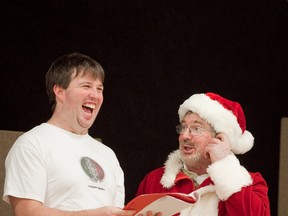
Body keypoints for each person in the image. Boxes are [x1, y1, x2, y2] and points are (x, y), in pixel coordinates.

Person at [3, 52, 136, 216]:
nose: (95, 95)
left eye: (99, 89)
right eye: (86, 86)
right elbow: (27, 212)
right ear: (60, 91)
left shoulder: (108, 155)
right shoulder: (32, 143)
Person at [136, 92, 270, 215]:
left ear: (220, 139)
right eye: (183, 127)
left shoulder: (250, 184)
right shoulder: (154, 180)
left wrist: (225, 167)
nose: (184, 136)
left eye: (196, 128)